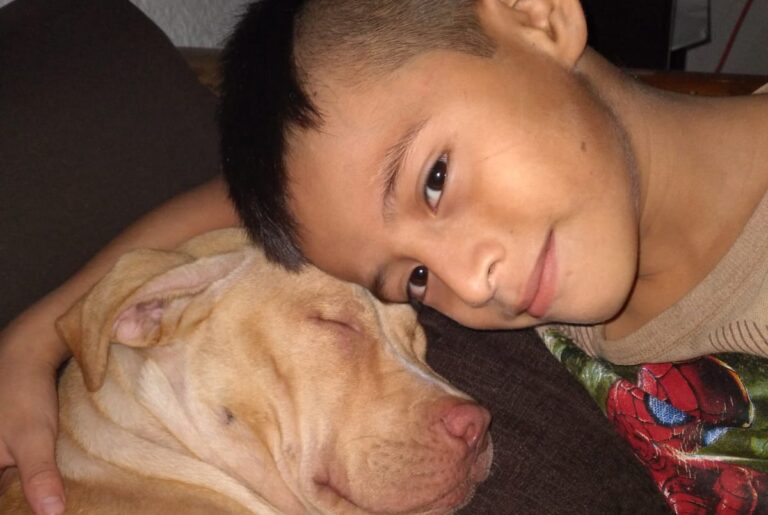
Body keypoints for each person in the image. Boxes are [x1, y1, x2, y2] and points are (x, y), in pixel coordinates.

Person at [1, 0, 765, 513]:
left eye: (436, 179)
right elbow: (259, 205)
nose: (468, 282)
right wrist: (40, 337)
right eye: (417, 279)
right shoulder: (554, 230)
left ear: (536, 12)